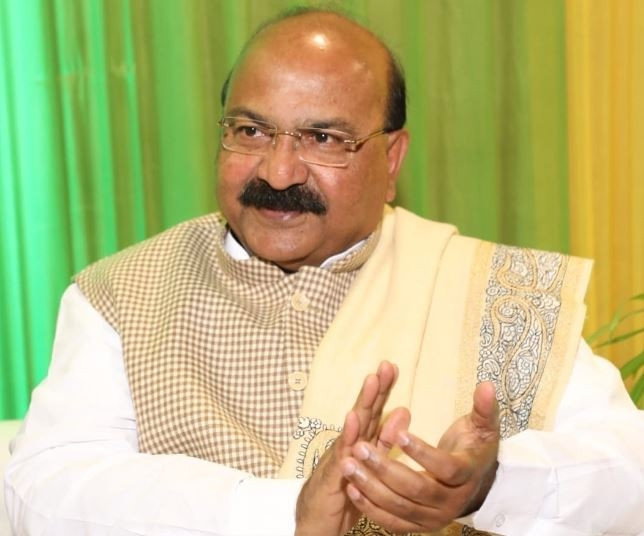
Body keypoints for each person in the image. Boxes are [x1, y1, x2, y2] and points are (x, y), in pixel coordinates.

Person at [4, 7, 644, 536]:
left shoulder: (496, 292)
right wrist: (282, 513)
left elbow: (630, 472)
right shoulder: (123, 295)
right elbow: (48, 491)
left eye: (323, 139)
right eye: (251, 131)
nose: (279, 171)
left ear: (392, 160)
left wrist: (492, 484)